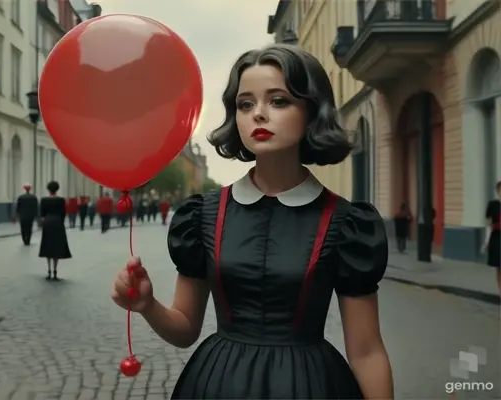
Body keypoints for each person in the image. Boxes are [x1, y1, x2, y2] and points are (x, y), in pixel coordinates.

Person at [111, 44, 393, 399]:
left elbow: (367, 351)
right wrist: (148, 305)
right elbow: (184, 330)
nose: (258, 114)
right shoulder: (202, 216)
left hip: (307, 387)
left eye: (278, 101)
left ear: (311, 111)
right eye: (246, 104)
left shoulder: (348, 224)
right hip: (217, 384)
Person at [39, 181, 72, 280]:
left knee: (47, 246)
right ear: (57, 189)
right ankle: (55, 270)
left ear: (48, 189)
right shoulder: (61, 200)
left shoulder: (44, 200)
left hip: (48, 222)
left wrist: (43, 221)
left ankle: (48, 270)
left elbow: (42, 214)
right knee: (56, 247)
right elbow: (63, 213)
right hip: (57, 223)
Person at [482, 181, 501, 293]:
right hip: (497, 239)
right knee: (499, 268)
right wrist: (486, 241)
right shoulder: (493, 205)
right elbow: (489, 223)